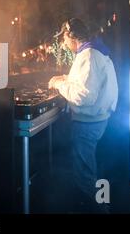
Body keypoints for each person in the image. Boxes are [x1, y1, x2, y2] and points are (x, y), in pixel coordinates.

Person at [48, 18, 118, 213]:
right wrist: (66, 79)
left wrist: (59, 84)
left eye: (63, 38)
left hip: (88, 124)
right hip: (97, 120)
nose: (63, 42)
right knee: (92, 168)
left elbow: (83, 96)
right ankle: (102, 204)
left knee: (85, 174)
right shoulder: (93, 51)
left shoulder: (88, 55)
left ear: (71, 35)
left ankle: (99, 210)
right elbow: (87, 83)